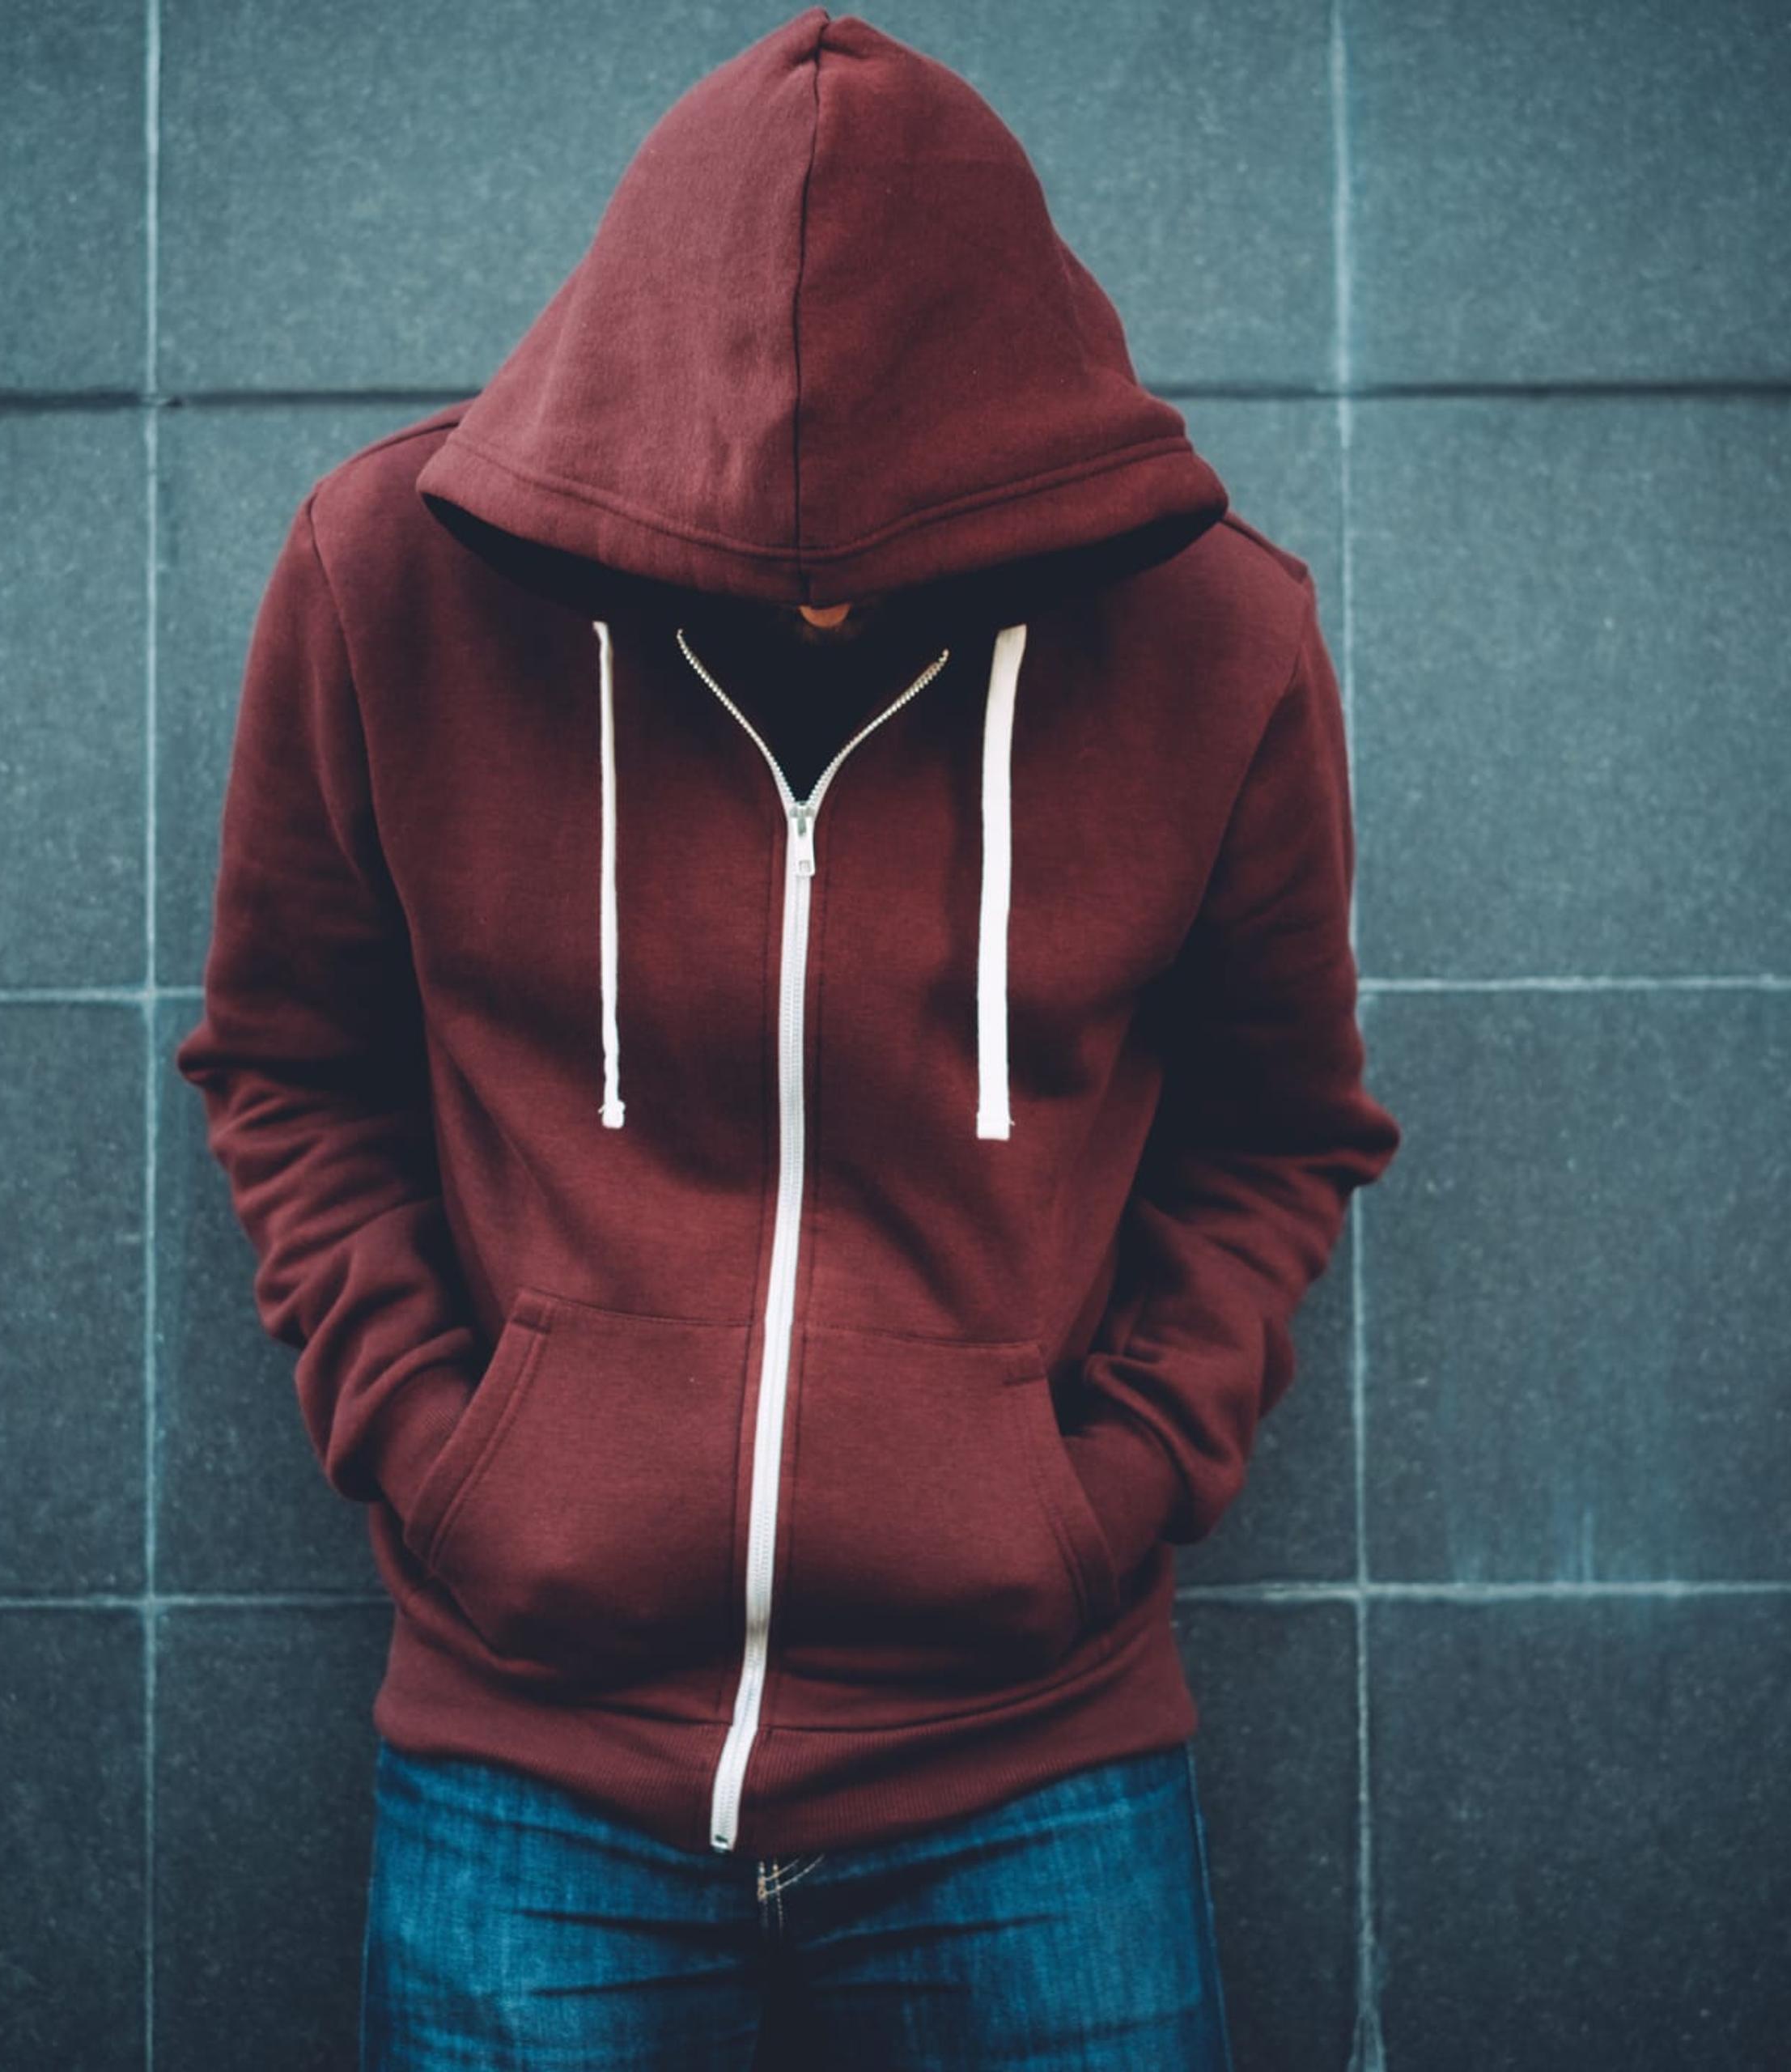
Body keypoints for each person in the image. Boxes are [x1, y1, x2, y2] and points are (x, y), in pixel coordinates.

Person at [174, 7, 1403, 2066]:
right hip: (526, 1757)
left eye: (897, 552)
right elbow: (291, 1059)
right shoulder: (388, 583)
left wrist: (1100, 1492)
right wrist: (446, 1451)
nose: (820, 597)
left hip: (1033, 1763)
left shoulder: (1216, 642)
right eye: (748, 555)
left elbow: (1280, 1125)